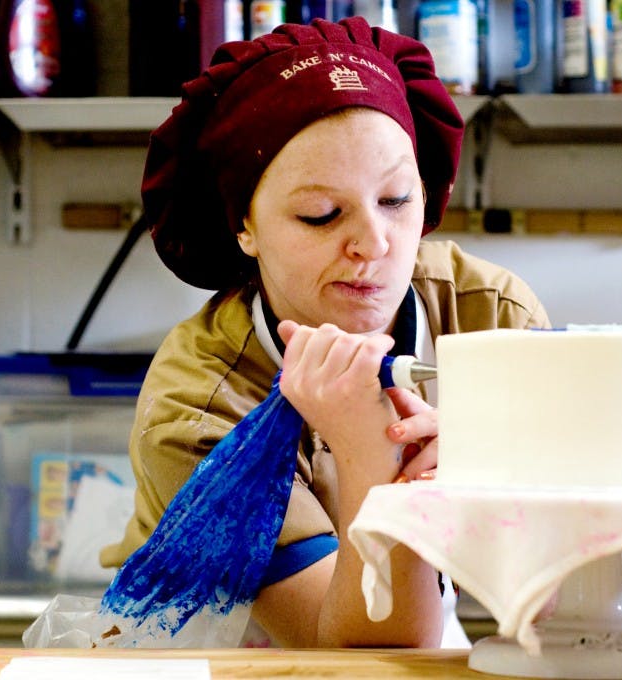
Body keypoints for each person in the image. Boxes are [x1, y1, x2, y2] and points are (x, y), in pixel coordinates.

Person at [100, 17, 549, 649]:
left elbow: (556, 598)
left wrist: (500, 490)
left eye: (396, 200)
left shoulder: (489, 321)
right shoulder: (202, 408)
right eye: (320, 214)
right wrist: (373, 455)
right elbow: (357, 655)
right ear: (244, 226)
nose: (373, 243)